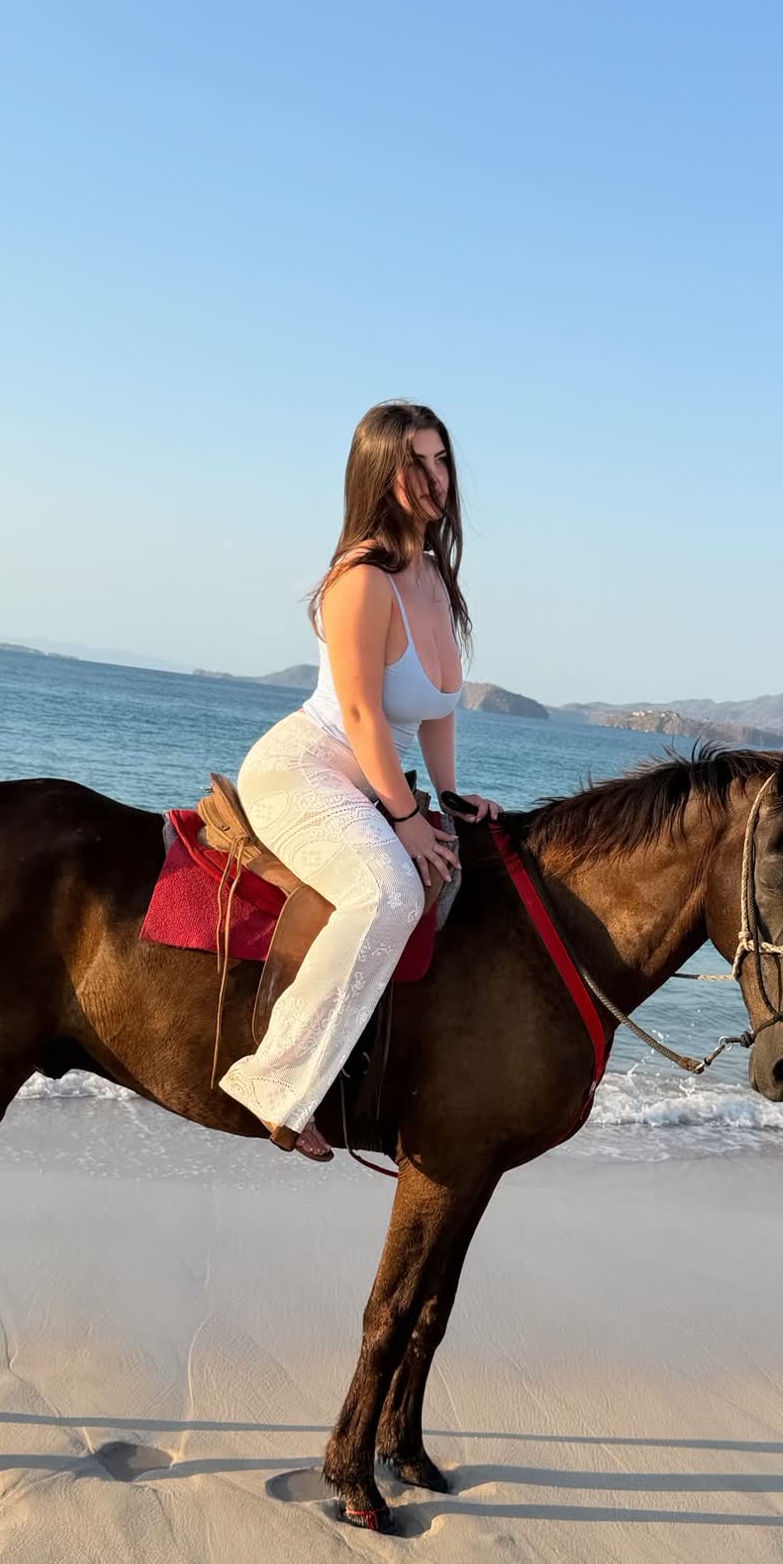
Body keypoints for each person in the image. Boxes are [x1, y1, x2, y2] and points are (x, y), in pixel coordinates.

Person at [219, 400, 501, 1160]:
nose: (435, 479)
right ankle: (274, 1083)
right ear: (379, 474)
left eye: (442, 460)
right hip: (304, 769)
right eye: (416, 463)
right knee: (389, 893)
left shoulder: (435, 578)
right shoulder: (362, 578)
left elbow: (437, 708)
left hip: (373, 779)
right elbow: (360, 711)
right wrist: (406, 818)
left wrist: (448, 795)